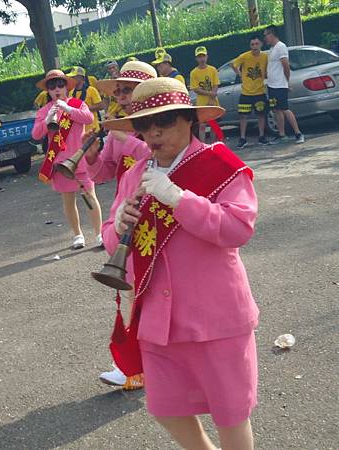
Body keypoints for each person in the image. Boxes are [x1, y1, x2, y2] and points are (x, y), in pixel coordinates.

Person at [103, 77, 258, 449]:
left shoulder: (220, 164)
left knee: (231, 414)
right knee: (165, 408)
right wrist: (119, 223)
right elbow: (110, 236)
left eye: (166, 121)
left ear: (189, 119)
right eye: (143, 125)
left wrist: (179, 198)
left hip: (216, 316)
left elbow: (238, 227)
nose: (154, 133)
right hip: (159, 319)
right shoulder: (134, 173)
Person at [88, 60, 156, 390]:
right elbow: (103, 174)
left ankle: (140, 365)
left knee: (146, 294)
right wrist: (90, 157)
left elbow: (158, 156)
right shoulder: (119, 130)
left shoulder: (154, 125)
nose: (122, 96)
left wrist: (124, 138)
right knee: (133, 292)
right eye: (119, 91)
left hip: (156, 218)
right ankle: (135, 366)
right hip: (127, 217)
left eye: (127, 90)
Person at [32, 69, 103, 250]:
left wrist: (68, 109)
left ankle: (99, 233)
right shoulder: (44, 111)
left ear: (66, 87)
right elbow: (36, 134)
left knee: (90, 197)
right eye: (52, 86)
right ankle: (78, 235)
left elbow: (88, 118)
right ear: (48, 90)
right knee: (68, 201)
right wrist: (47, 120)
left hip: (80, 159)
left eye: (60, 85)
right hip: (60, 163)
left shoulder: (78, 104)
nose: (57, 89)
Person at [264, 25, 305, 144]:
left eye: (266, 35)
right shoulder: (272, 49)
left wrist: (286, 82)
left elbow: (285, 66)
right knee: (277, 110)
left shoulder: (281, 47)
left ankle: (298, 133)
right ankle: (281, 135)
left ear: (272, 34)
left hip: (280, 85)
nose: (265, 38)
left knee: (285, 109)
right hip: (272, 85)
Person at [232, 35, 270, 148]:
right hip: (246, 92)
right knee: (243, 116)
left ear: (261, 44)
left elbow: (268, 69)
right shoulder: (245, 56)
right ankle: (243, 138)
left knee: (261, 115)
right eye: (252, 44)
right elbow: (233, 65)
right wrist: (240, 75)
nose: (254, 46)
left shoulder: (265, 57)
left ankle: (262, 136)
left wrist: (266, 75)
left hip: (259, 91)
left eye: (256, 44)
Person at [189, 46, 224, 142]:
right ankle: (203, 145)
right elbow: (195, 88)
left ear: (207, 57)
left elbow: (216, 84)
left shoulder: (212, 70)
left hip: (213, 102)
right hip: (202, 104)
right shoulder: (194, 73)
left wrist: (212, 98)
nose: (202, 59)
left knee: (214, 124)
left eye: (203, 56)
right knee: (202, 125)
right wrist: (210, 94)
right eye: (199, 57)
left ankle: (213, 144)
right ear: (196, 58)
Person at [67, 66, 105, 134]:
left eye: (74, 77)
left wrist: (84, 109)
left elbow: (101, 106)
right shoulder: (71, 92)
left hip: (93, 129)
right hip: (79, 131)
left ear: (81, 77)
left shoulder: (91, 90)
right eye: (71, 77)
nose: (71, 79)